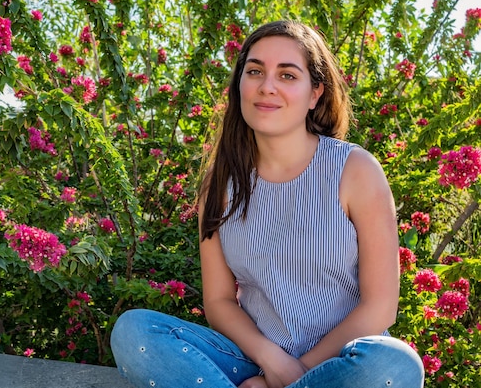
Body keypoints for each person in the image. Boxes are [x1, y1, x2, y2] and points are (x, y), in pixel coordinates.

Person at [110, 20, 424, 388]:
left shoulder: (354, 170)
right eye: (255, 71)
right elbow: (219, 302)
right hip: (253, 360)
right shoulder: (220, 184)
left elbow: (380, 307)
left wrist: (292, 374)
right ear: (240, 83)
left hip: (344, 365)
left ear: (315, 94)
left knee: (397, 364)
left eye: (288, 75)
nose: (267, 86)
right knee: (134, 331)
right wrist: (268, 360)